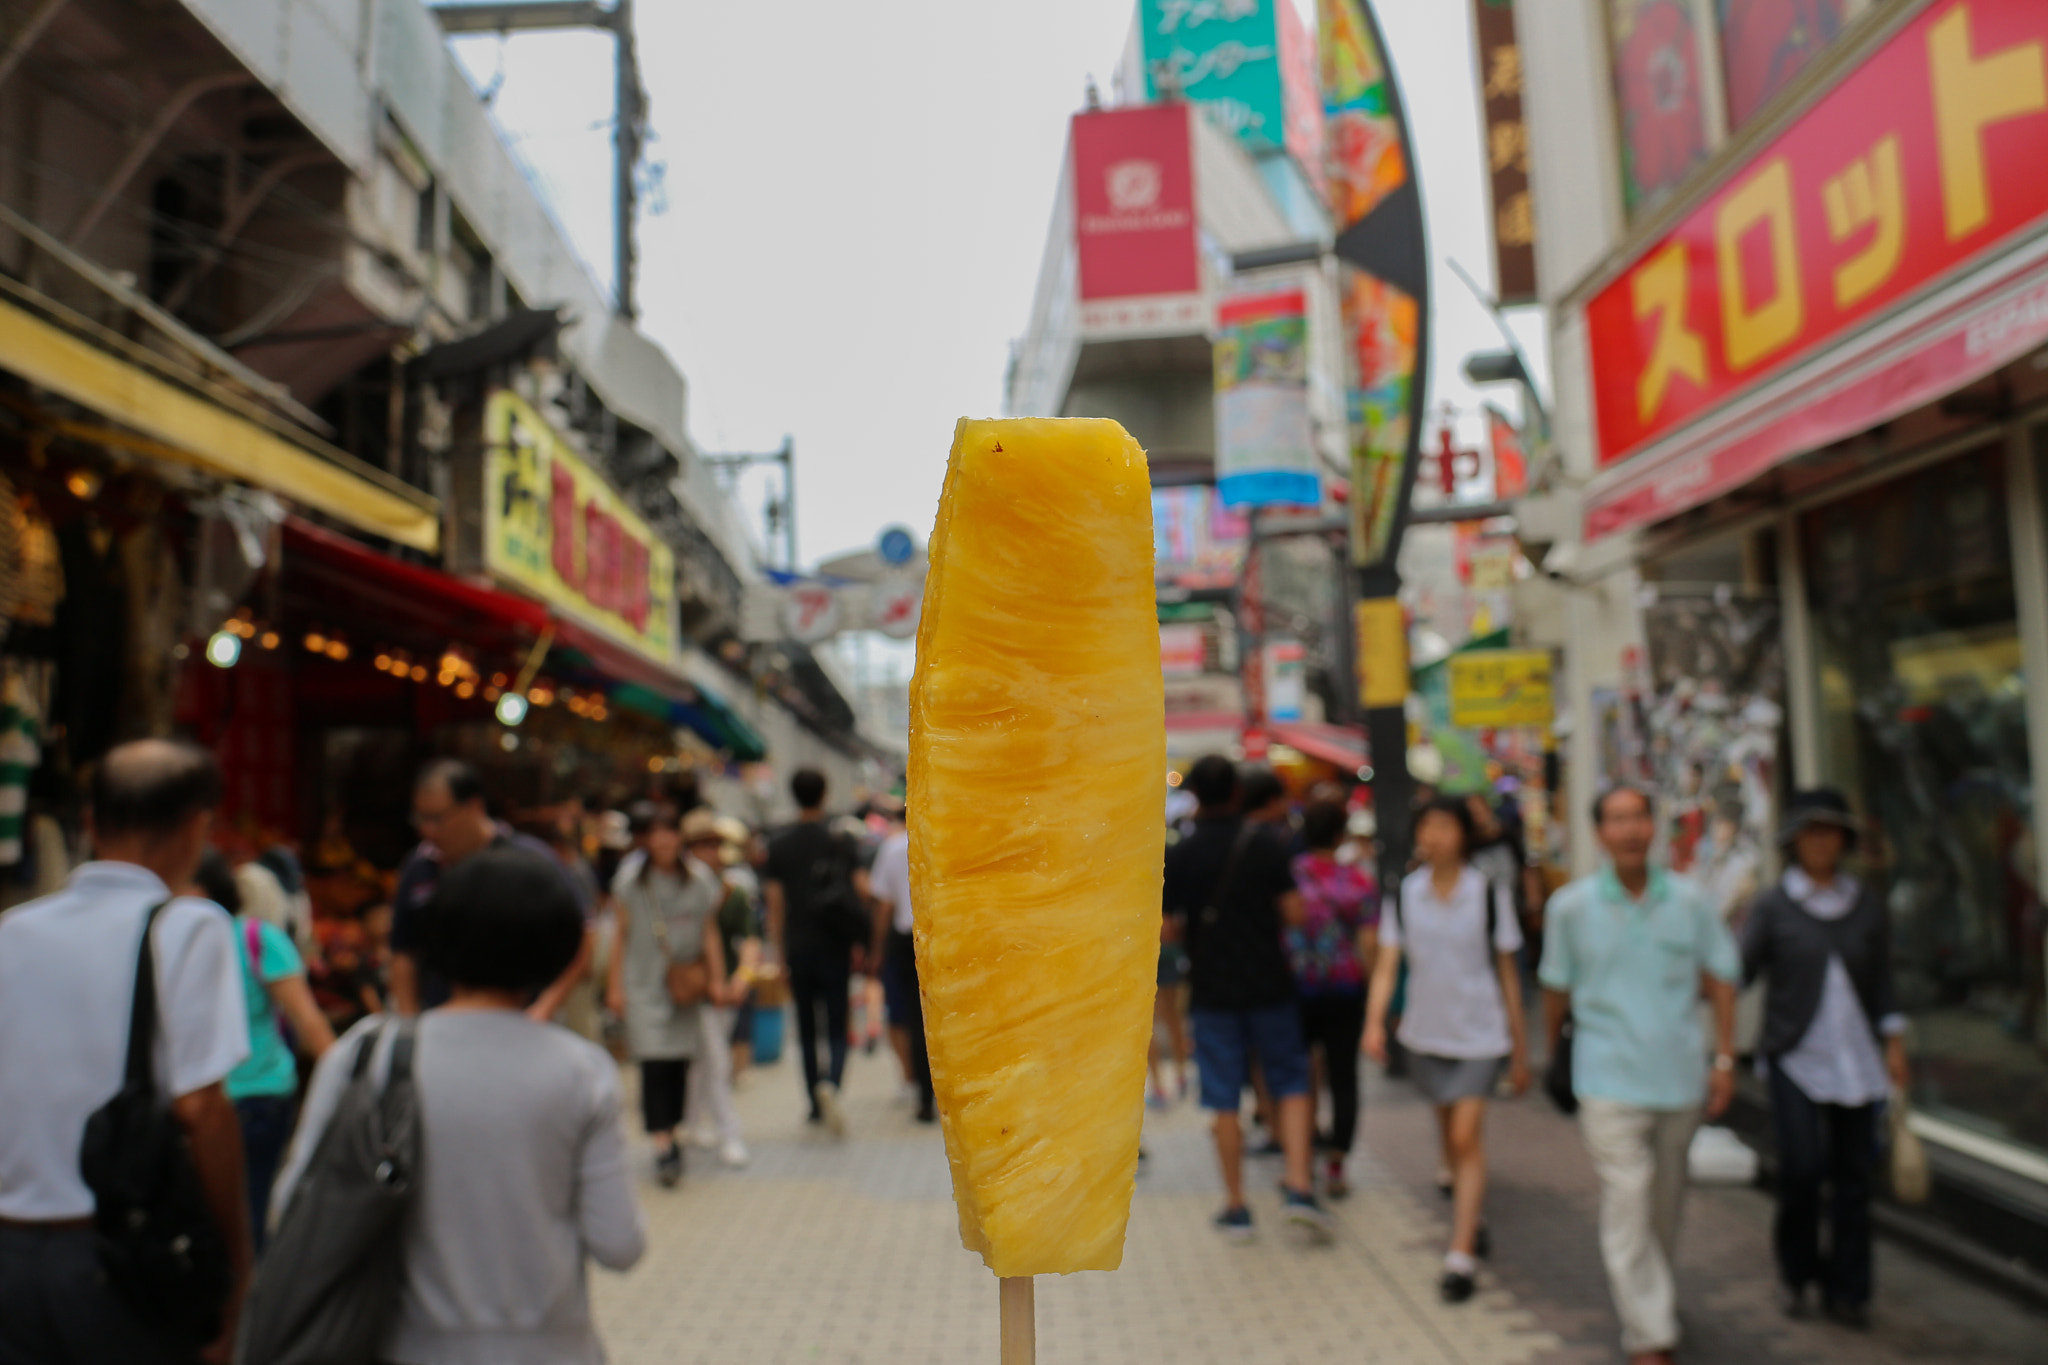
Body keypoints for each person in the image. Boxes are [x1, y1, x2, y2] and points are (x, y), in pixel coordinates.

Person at [275, 846, 645, 1363]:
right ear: (556, 950)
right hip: (549, 1346)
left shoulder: (365, 1054)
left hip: (396, 1344)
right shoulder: (582, 1071)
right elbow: (618, 1244)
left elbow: (293, 1206)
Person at [0, 739, 254, 1364]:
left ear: (89, 823)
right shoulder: (189, 927)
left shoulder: (16, 931)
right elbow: (201, 1110)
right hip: (120, 1260)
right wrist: (238, 1262)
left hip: (10, 1258)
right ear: (198, 825)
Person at [1541, 785, 1740, 1365]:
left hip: (1680, 1078)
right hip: (1606, 1078)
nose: (1628, 830)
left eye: (1637, 818)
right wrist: (1556, 1055)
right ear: (1599, 832)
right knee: (1627, 1197)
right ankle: (1649, 1336)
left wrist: (1725, 1059)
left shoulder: (1690, 901)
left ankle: (1653, 1301)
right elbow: (1556, 990)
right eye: (1616, 820)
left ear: (1653, 828)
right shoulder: (1570, 908)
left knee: (1665, 1202)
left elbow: (1722, 976)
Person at [1741, 788, 1907, 1329]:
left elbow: (1883, 981)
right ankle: (1796, 1273)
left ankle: (1850, 1289)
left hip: (1857, 1059)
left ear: (1844, 841)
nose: (1821, 842)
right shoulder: (1772, 905)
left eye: (1830, 831)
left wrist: (1895, 1045)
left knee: (1855, 1177)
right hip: (1795, 1056)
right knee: (1803, 1168)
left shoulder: (1866, 904)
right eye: (1811, 832)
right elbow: (1738, 971)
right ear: (1794, 842)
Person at [1365, 796, 1528, 1302]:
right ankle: (1469, 1209)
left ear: (1463, 834)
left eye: (1444, 826)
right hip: (1425, 1033)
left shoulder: (1486, 894)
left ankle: (1460, 1253)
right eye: (1426, 827)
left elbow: (1507, 971)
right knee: (1447, 1135)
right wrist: (1374, 1023)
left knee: (1464, 1137)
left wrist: (1520, 1050)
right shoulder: (1406, 895)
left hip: (1480, 1033)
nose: (1433, 836)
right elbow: (1389, 963)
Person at [1162, 754, 1330, 1241]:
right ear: (1237, 792)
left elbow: (1168, 928)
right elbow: (1295, 912)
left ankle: (1236, 1205)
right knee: (1290, 1082)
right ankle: (1299, 1185)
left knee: (1223, 1099)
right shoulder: (1265, 844)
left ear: (1195, 795)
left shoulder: (1183, 853)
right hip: (1270, 984)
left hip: (1213, 991)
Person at [190, 850, 335, 1252]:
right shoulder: (258, 938)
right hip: (237, 1098)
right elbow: (311, 1025)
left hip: (244, 1101)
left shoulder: (250, 939)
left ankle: (242, 1306)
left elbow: (309, 1025)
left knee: (232, 1218)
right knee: (243, 1218)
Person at [389, 760, 588, 1015]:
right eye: (420, 818)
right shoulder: (419, 867)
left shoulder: (530, 864)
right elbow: (403, 951)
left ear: (474, 806)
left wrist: (542, 1010)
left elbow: (583, 938)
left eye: (437, 818)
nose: (427, 830)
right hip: (442, 1026)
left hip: (520, 1027)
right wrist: (410, 1023)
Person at [606, 807, 730, 1185]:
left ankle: (672, 1133)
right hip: (642, 984)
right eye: (655, 833)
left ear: (679, 837)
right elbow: (619, 936)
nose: (663, 841)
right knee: (653, 1063)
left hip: (682, 989)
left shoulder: (698, 880)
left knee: (678, 1061)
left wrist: (717, 978)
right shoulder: (630, 881)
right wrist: (614, 986)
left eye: (669, 832)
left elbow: (709, 931)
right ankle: (662, 1144)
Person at [764, 768, 868, 1135]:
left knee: (807, 1028)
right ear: (824, 794)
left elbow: (774, 905)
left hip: (798, 945)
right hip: (835, 944)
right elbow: (860, 891)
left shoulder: (778, 843)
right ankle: (833, 1086)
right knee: (838, 1023)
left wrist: (778, 956)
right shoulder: (840, 839)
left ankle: (813, 1102)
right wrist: (861, 939)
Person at [1289, 799, 1378, 1200]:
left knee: (1301, 1076)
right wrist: (1375, 992)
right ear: (1341, 835)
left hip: (1297, 988)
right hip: (1346, 988)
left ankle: (1302, 1157)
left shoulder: (1292, 878)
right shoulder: (1359, 881)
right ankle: (1337, 1163)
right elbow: (1370, 942)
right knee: (1344, 1077)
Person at [681, 811, 750, 1166]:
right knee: (708, 1061)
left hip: (718, 991)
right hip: (688, 988)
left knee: (708, 1061)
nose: (710, 852)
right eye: (702, 845)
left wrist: (740, 979)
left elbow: (750, 939)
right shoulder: (680, 887)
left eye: (714, 844)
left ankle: (697, 1125)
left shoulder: (731, 893)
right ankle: (725, 1132)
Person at [866, 807, 935, 1122]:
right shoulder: (941, 839)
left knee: (914, 1019)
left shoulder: (892, 848)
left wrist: (876, 949)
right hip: (942, 940)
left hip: (906, 941)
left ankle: (923, 1096)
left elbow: (884, 904)